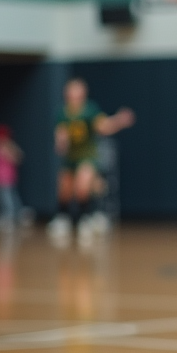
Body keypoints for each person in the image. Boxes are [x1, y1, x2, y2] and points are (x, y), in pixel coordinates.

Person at [48, 78, 135, 246]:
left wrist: (119, 120)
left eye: (78, 90)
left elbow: (104, 126)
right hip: (70, 158)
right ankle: (63, 218)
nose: (74, 94)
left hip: (87, 155)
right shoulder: (62, 112)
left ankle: (85, 219)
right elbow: (61, 133)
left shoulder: (90, 110)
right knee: (65, 189)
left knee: (83, 184)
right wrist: (60, 142)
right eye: (71, 91)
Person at [0, 125, 26, 229]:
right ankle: (8, 215)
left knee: (9, 198)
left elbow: (19, 157)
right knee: (3, 198)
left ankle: (12, 216)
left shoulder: (8, 147)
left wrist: (8, 151)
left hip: (7, 178)